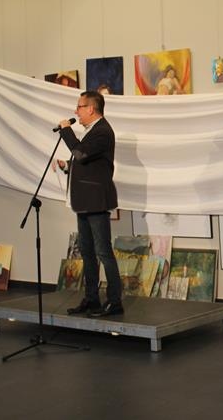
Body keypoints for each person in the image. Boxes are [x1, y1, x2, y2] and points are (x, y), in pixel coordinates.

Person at [57, 91, 123, 317]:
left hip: (96, 201)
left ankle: (114, 301)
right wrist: (67, 166)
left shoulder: (102, 131)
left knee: (103, 251)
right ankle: (92, 298)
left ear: (91, 109)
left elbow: (81, 154)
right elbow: (88, 164)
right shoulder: (92, 131)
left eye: (79, 107)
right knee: (87, 251)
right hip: (85, 200)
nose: (76, 111)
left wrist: (66, 130)